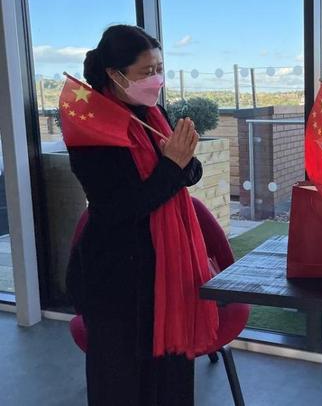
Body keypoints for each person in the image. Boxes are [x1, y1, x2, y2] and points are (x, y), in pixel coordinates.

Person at [65, 24, 218, 406]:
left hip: (168, 269)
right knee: (124, 385)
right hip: (118, 279)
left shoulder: (153, 113)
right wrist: (172, 166)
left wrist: (180, 163)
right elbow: (117, 208)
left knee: (171, 379)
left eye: (160, 69)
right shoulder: (92, 126)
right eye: (146, 71)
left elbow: (190, 172)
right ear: (115, 74)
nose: (156, 80)